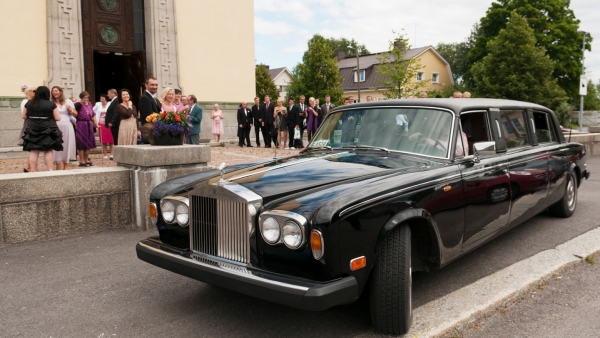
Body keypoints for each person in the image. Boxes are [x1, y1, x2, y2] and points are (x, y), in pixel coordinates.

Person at [21, 86, 63, 172]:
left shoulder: (29, 103)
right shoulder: (51, 104)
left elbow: (24, 116)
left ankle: (33, 170)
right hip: (47, 129)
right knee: (48, 149)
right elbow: (58, 118)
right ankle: (50, 169)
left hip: (32, 128)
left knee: (34, 150)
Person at [50, 86, 77, 170]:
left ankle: (66, 164)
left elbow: (76, 114)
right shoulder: (51, 103)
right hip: (56, 125)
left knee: (66, 144)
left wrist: (70, 110)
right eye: (53, 91)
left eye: (56, 91)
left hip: (67, 125)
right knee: (57, 144)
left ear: (60, 92)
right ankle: (58, 164)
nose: (55, 92)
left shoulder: (68, 101)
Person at [74, 91, 99, 166]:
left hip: (89, 124)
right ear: (81, 98)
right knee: (81, 143)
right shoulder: (78, 105)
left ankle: (86, 159)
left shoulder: (90, 104)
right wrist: (75, 123)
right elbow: (73, 114)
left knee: (88, 143)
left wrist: (96, 125)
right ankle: (81, 161)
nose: (86, 99)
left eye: (87, 97)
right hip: (81, 124)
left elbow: (93, 115)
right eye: (84, 97)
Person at [138, 77, 161, 144]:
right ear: (146, 85)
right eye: (152, 85)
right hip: (149, 132)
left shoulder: (155, 99)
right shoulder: (145, 98)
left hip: (156, 132)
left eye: (156, 85)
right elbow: (148, 117)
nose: (155, 87)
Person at [18, 86, 36, 172]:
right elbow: (24, 115)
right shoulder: (25, 101)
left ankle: (29, 167)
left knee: (33, 147)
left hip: (33, 124)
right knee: (32, 147)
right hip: (29, 124)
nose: (35, 93)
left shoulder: (33, 101)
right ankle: (29, 167)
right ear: (28, 92)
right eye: (34, 91)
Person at [94, 94, 114, 159]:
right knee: (103, 140)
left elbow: (113, 112)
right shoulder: (98, 105)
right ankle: (105, 154)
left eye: (102, 98)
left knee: (111, 140)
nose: (101, 99)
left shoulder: (110, 104)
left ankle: (112, 154)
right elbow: (93, 111)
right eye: (100, 98)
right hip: (101, 124)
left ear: (106, 98)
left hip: (108, 124)